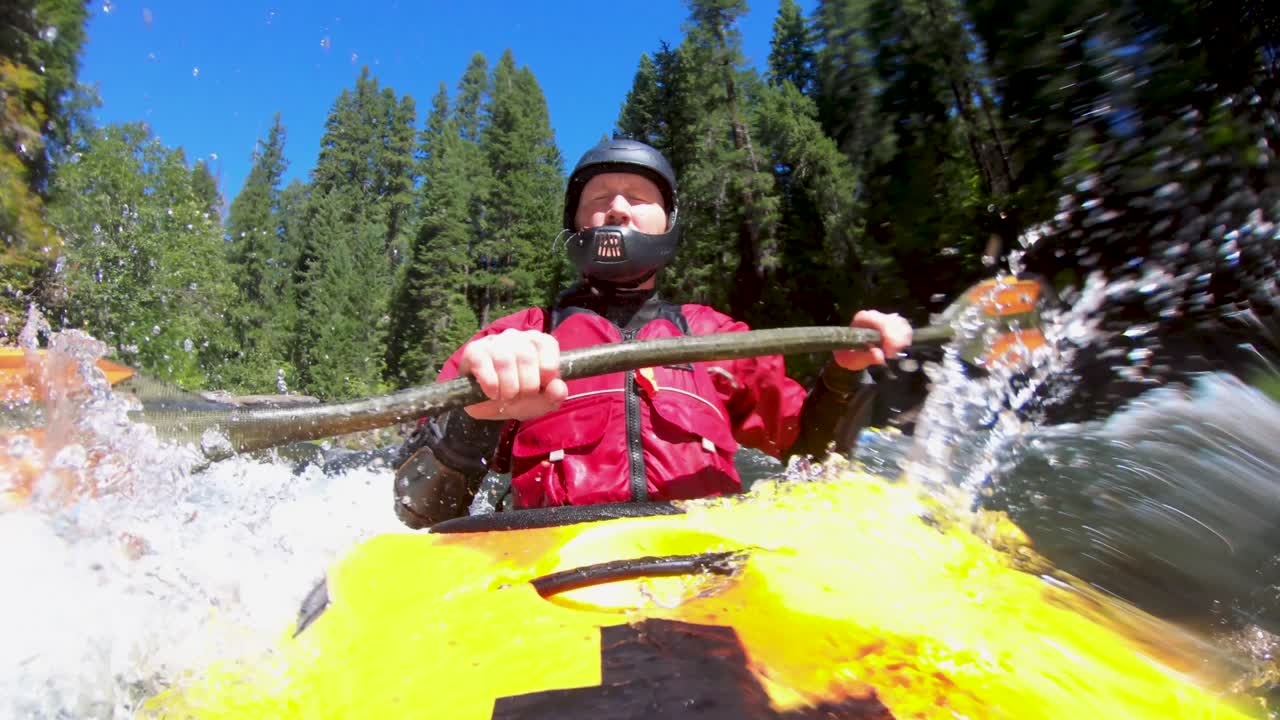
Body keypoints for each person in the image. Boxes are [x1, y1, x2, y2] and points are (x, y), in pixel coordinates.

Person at [393, 139, 912, 529]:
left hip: (707, 569)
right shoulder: (517, 338)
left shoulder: (715, 334)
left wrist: (843, 376)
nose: (617, 208)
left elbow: (814, 462)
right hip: (550, 573)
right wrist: (475, 416)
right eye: (598, 199)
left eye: (638, 198)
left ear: (667, 223)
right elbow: (416, 510)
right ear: (574, 224)